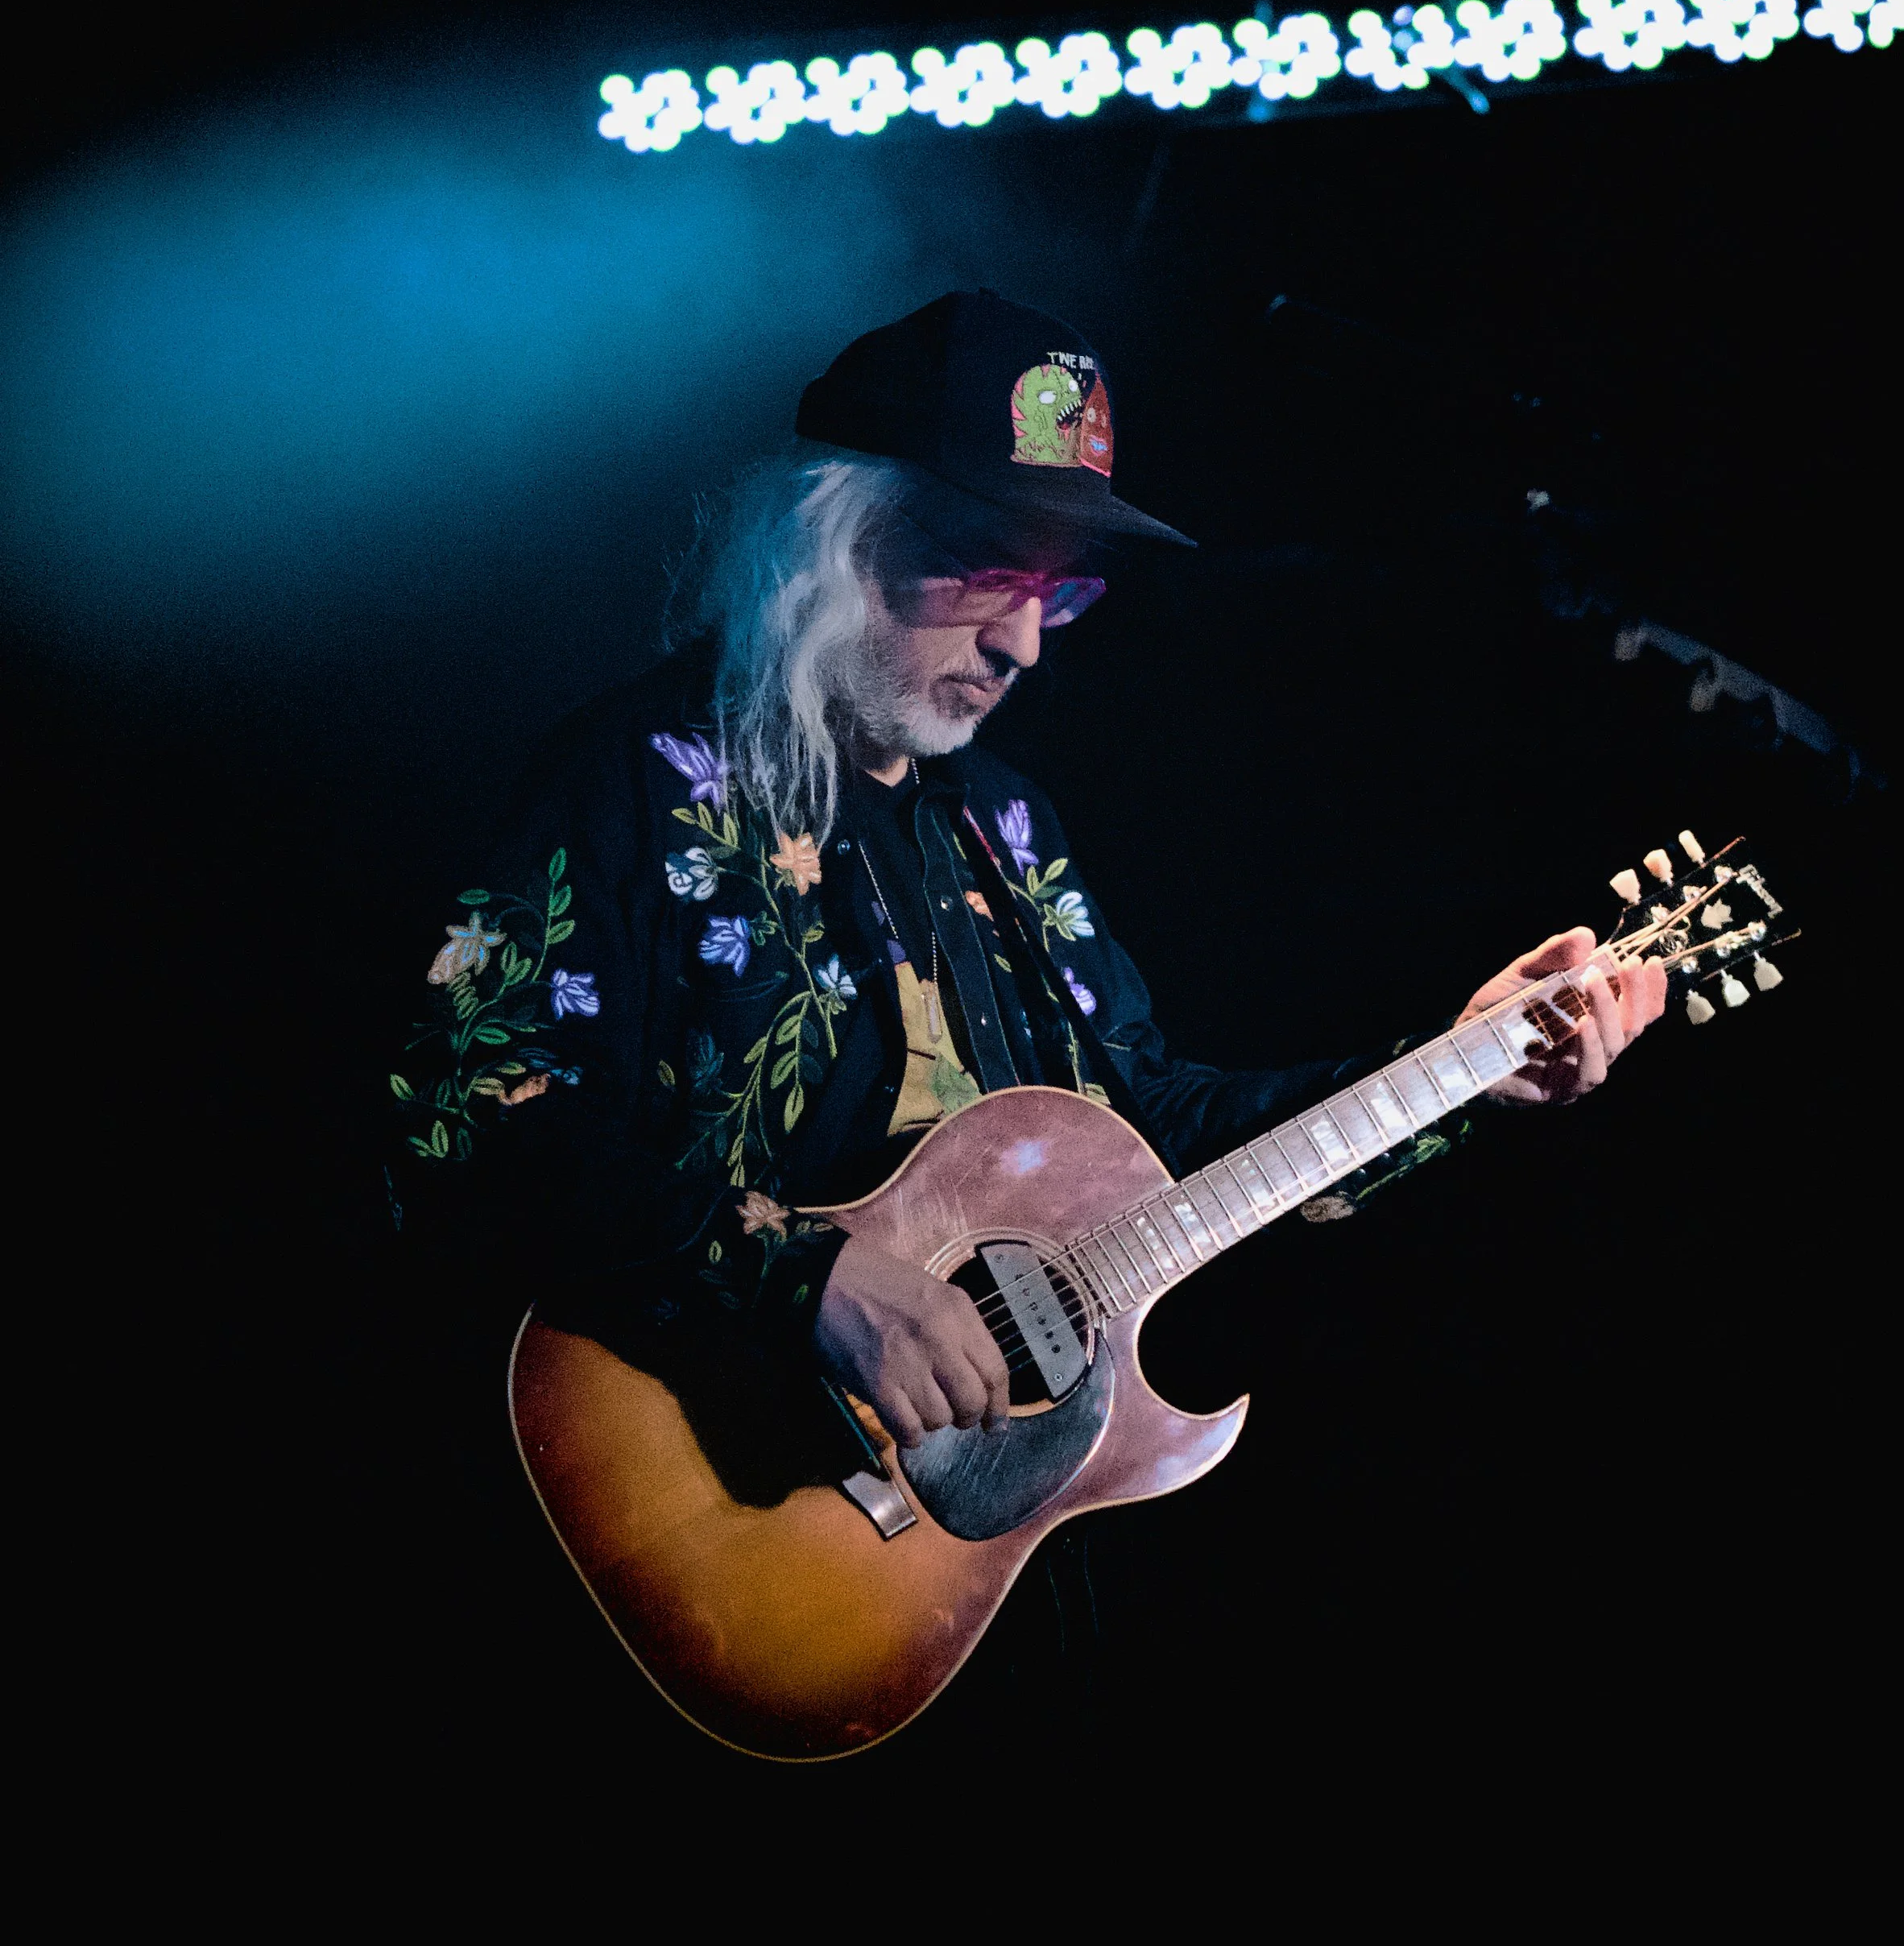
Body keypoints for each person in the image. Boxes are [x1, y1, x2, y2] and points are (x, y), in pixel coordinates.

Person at [392, 288, 1664, 1472]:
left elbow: (1149, 1134)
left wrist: (1459, 1065)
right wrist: (802, 1274)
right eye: (988, 566)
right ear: (835, 535)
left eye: (1060, 590)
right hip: (700, 1483)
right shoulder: (626, 780)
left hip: (972, 1545)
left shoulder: (1002, 820)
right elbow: (461, 1117)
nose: (1022, 642)